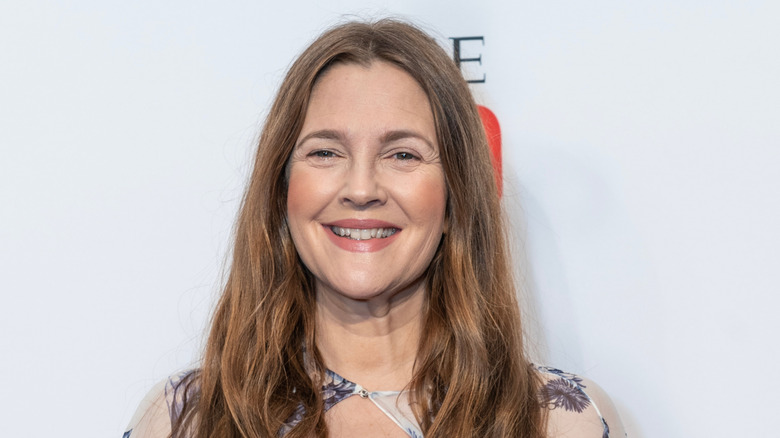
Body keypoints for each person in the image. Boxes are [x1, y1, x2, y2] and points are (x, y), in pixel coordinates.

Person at [124, 19, 626, 438]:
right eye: (325, 152)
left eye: (402, 154)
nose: (361, 188)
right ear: (281, 192)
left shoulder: (562, 419)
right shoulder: (184, 420)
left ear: (456, 198)